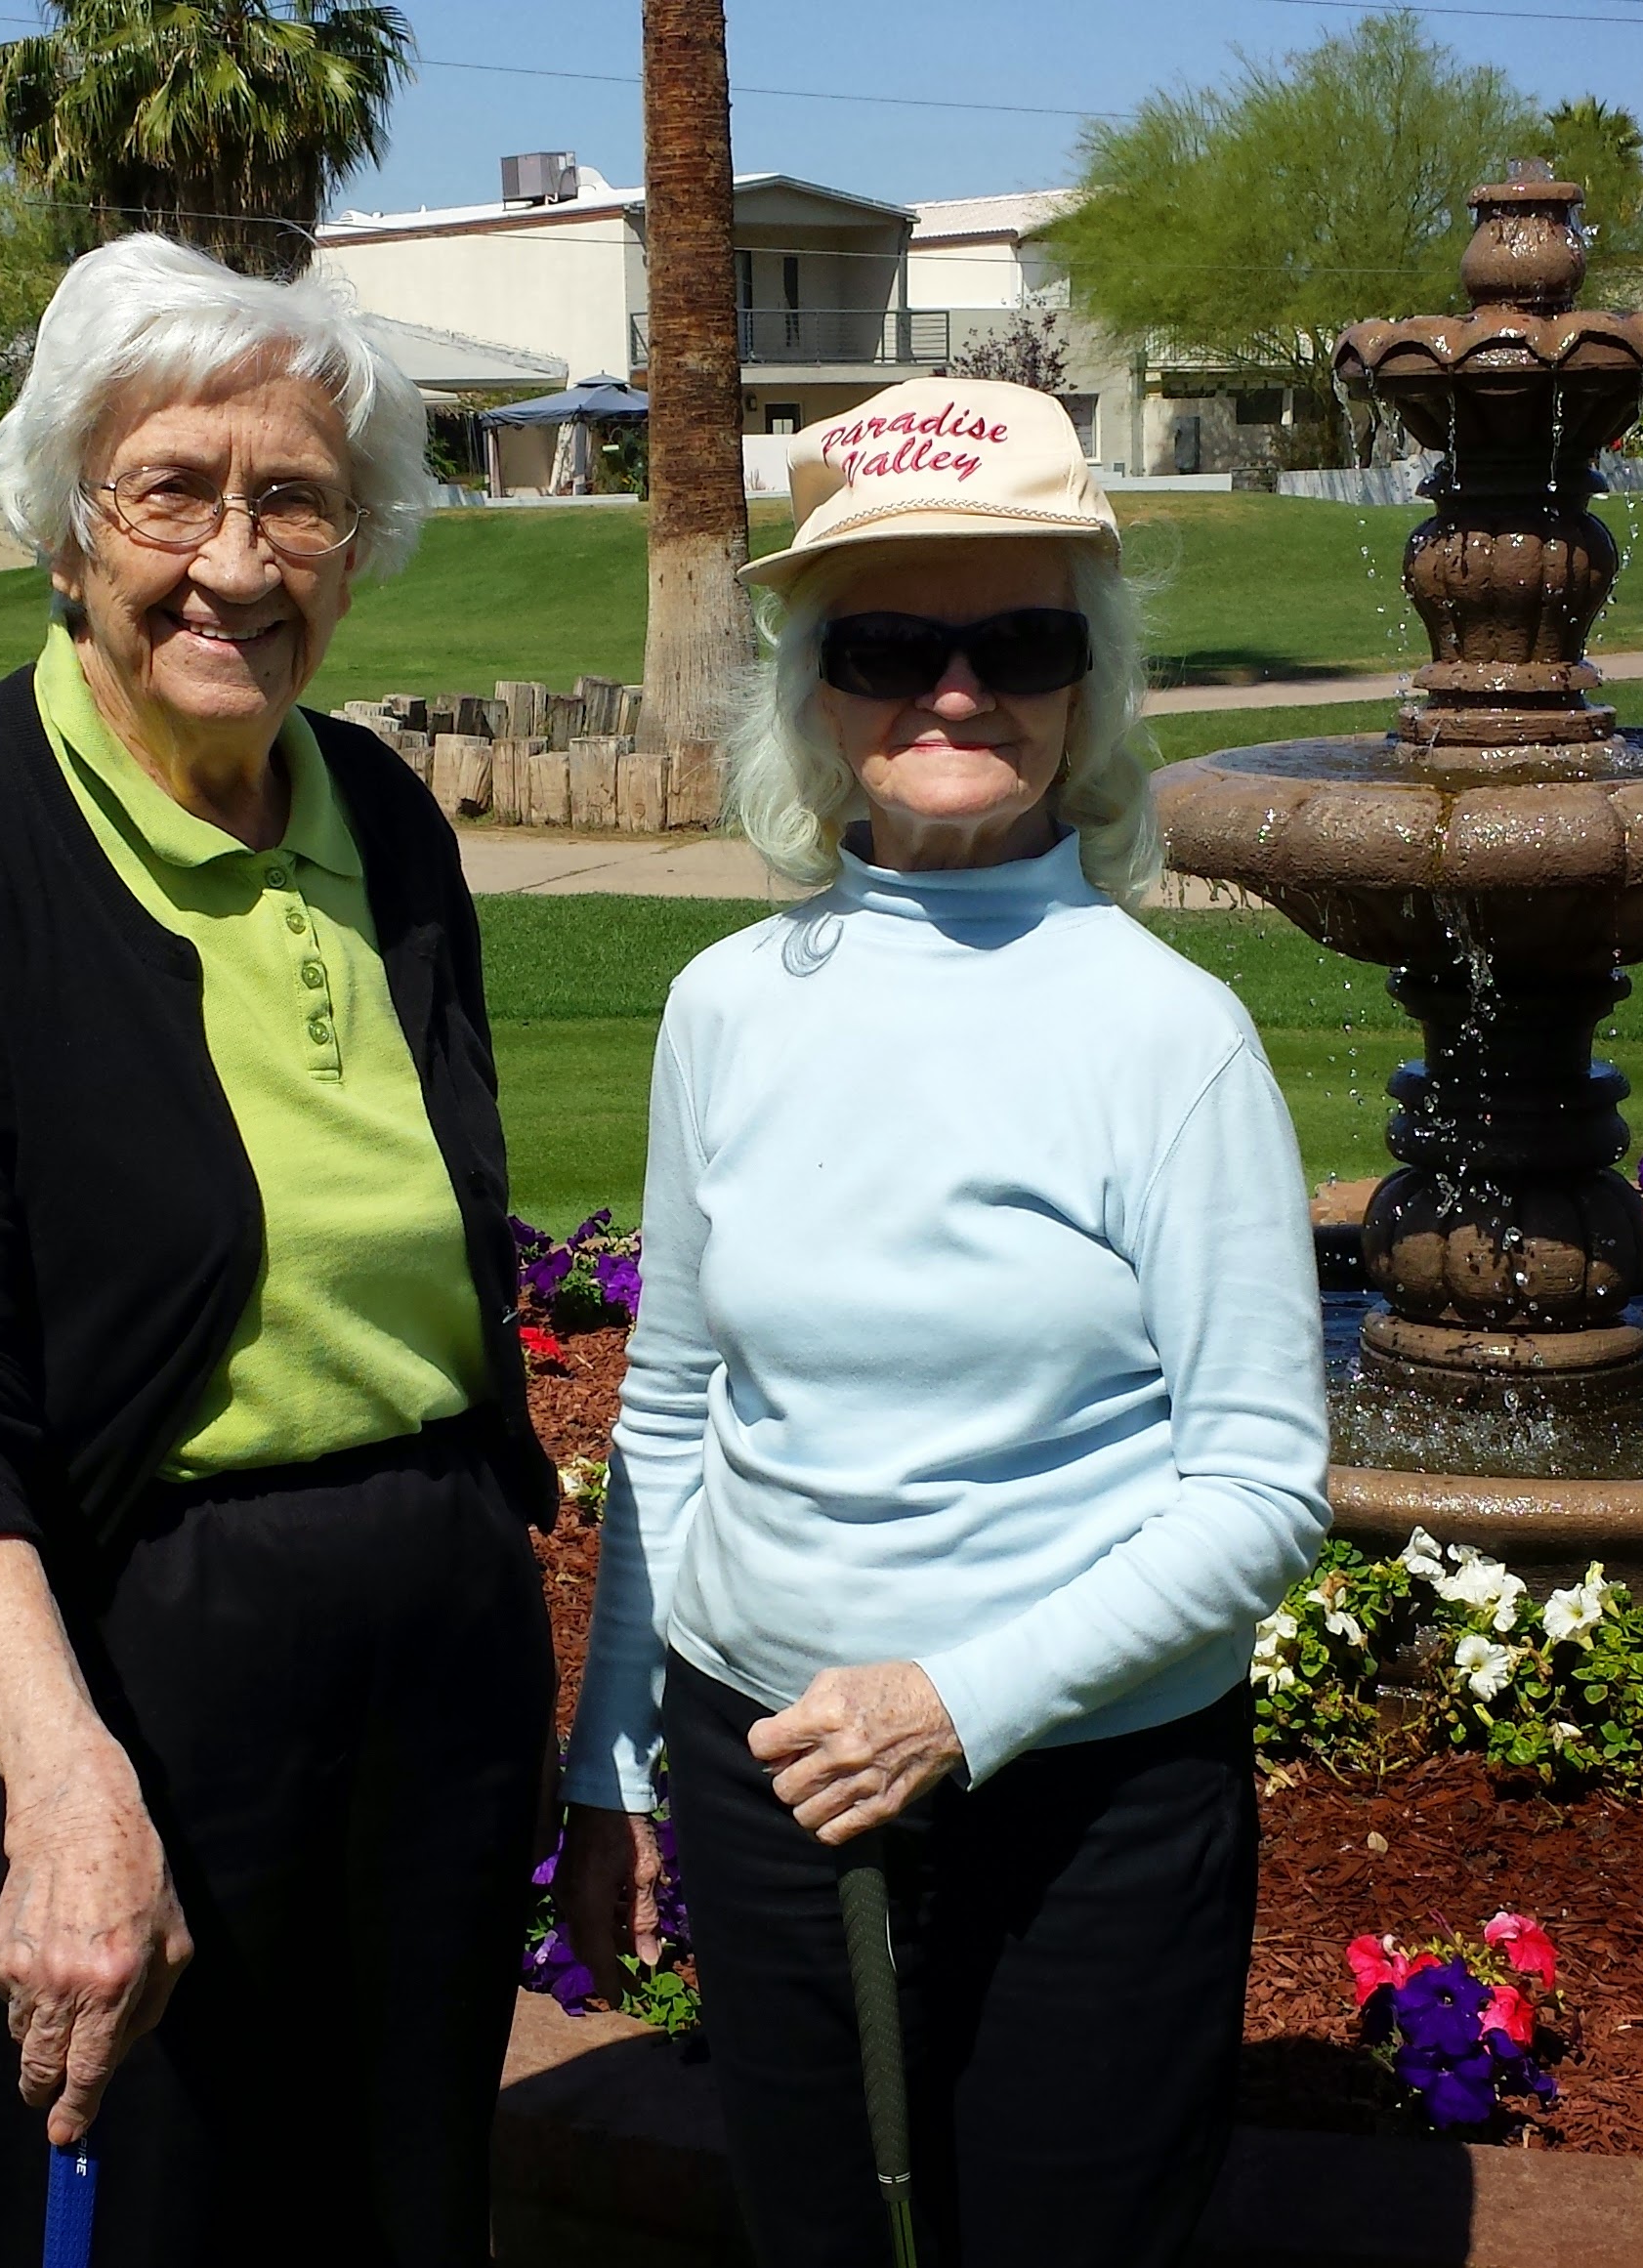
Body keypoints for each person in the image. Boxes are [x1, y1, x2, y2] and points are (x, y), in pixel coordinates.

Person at [0, 233, 558, 2267]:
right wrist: (64, 1785)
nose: (237, 557)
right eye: (175, 491)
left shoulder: (387, 818)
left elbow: (446, 1268)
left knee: (401, 2216)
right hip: (110, 1647)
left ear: (354, 541)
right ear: (69, 528)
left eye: (295, 499)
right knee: (116, 2217)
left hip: (426, 1666)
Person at [550, 377, 1333, 2268]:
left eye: (1020, 641)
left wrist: (951, 1709)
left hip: (1087, 1819)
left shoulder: (1170, 1038)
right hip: (766, 1801)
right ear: (817, 687)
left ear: (1089, 685)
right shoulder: (725, 1008)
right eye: (894, 643)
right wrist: (612, 1762)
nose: (956, 692)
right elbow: (667, 1416)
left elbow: (1262, 1494)